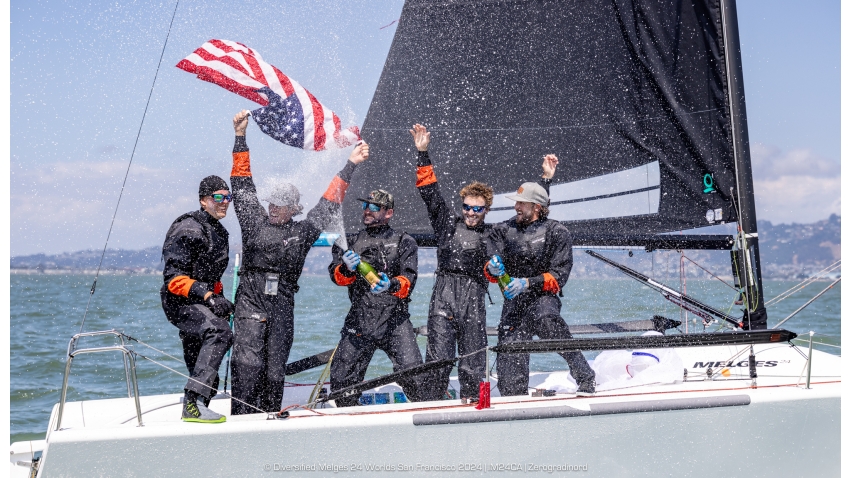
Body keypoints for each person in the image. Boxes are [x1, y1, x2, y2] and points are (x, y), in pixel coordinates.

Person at [228, 110, 369, 415]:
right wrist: (240, 137)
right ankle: (241, 419)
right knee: (248, 363)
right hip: (250, 303)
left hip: (283, 304)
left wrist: (351, 165)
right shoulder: (254, 221)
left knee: (274, 369)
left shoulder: (303, 231)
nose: (275, 209)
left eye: (282, 206)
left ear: (294, 209)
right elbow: (241, 186)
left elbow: (330, 201)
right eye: (272, 204)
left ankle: (270, 417)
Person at [484, 155, 597, 396]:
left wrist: (527, 282)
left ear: (536, 207)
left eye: (521, 203)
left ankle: (586, 376)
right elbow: (492, 263)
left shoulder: (557, 232)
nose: (516, 207)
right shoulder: (502, 230)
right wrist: (492, 268)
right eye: (516, 203)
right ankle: (513, 398)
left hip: (543, 297)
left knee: (547, 320)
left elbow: (559, 276)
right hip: (514, 302)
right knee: (510, 357)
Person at [409, 124, 492, 403]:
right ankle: (431, 403)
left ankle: (474, 404)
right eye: (467, 207)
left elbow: (497, 271)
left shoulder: (492, 235)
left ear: (485, 210)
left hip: (473, 296)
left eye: (476, 209)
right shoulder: (447, 225)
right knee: (439, 358)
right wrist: (423, 153)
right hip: (444, 294)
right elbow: (430, 194)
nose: (470, 212)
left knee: (472, 359)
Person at [327, 189, 424, 407]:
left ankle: (423, 418)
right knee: (342, 383)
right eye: (365, 206)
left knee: (415, 375)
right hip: (360, 320)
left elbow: (409, 281)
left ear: (388, 213)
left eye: (373, 207)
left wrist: (391, 284)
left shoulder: (404, 241)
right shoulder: (349, 240)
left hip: (395, 320)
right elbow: (337, 277)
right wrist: (346, 268)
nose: (367, 211)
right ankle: (350, 422)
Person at [161, 175, 235, 423]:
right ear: (204, 200)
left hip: (203, 301)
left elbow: (211, 275)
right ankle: (192, 403)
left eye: (228, 197)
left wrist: (219, 299)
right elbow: (173, 279)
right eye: (218, 197)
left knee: (207, 371)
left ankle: (200, 406)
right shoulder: (189, 229)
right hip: (179, 301)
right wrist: (208, 297)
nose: (224, 202)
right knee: (219, 331)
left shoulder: (220, 232)